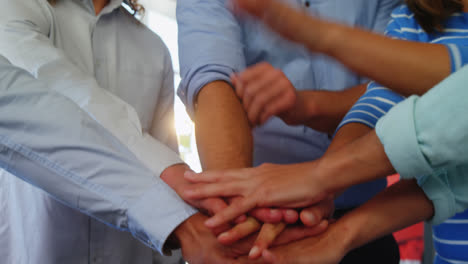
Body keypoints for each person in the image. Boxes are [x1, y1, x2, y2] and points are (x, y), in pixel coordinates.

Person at [182, 0, 468, 261]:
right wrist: (241, 212)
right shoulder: (417, 13)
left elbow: (451, 95)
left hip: (353, 214)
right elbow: (387, 99)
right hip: (316, 218)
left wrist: (323, 177)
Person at [0, 0, 283, 263]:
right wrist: (174, 175)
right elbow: (54, 91)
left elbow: (165, 144)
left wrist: (200, 220)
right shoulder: (17, 7)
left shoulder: (153, 47)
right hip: (36, 249)